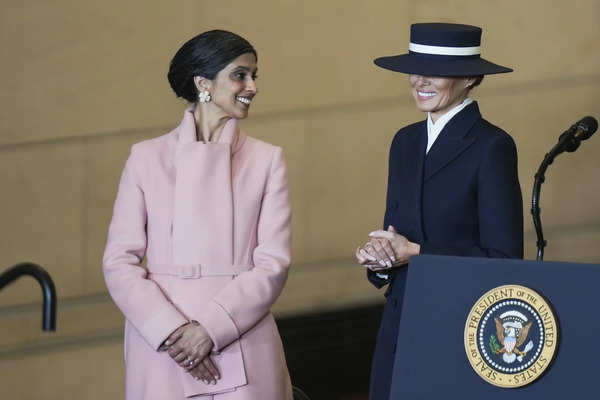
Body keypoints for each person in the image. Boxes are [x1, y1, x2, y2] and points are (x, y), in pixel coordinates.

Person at [103, 30, 293, 400]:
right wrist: (175, 333)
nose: (252, 86)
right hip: (161, 343)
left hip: (240, 335)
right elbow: (118, 262)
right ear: (203, 82)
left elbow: (273, 263)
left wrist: (210, 328)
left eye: (254, 76)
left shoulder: (267, 161)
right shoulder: (146, 158)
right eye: (240, 74)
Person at [355, 23, 523, 400]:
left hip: (459, 325)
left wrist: (415, 254)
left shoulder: (492, 146)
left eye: (435, 70)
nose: (420, 80)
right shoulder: (404, 141)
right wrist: (379, 258)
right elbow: (395, 234)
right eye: (416, 68)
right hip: (399, 323)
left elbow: (505, 260)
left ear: (469, 78)